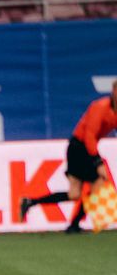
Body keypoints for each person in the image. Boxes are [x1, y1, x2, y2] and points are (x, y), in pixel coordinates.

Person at [20, 80, 117, 233]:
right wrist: (98, 162)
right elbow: (89, 136)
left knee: (75, 194)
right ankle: (74, 224)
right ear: (114, 90)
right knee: (97, 183)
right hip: (79, 148)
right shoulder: (100, 107)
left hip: (86, 149)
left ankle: (31, 202)